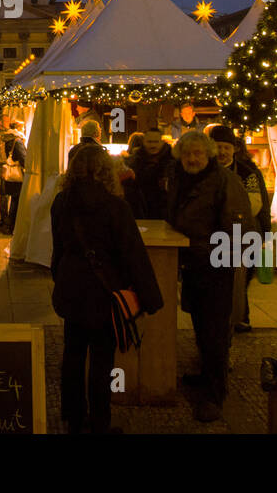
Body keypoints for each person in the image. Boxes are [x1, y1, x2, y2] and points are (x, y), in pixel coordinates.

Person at [51, 148, 162, 434]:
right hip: (105, 292)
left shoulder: (61, 202)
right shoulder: (116, 207)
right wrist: (150, 298)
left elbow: (58, 248)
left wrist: (59, 280)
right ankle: (100, 422)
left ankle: (73, 418)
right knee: (102, 361)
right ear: (107, 172)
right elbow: (133, 255)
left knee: (73, 355)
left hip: (72, 288)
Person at [166, 130, 252, 422]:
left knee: (215, 333)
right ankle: (206, 375)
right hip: (193, 264)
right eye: (187, 154)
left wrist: (220, 259)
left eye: (197, 153)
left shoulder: (224, 181)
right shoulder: (181, 178)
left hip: (216, 266)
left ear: (208, 154)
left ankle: (215, 395)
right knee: (201, 327)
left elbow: (238, 228)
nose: (192, 159)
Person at [209, 126, 272, 333]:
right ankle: (224, 319)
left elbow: (257, 205)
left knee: (241, 278)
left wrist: (265, 233)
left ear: (234, 149)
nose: (222, 152)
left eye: (226, 147)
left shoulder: (248, 173)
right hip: (214, 236)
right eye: (218, 147)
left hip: (245, 234)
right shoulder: (205, 171)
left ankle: (239, 316)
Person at [126, 127, 173, 219]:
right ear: (144, 142)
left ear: (162, 142)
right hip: (140, 210)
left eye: (156, 142)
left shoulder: (172, 162)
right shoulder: (135, 161)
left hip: (165, 212)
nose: (153, 145)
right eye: (150, 142)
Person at [1, 120, 27, 232]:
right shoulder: (17, 141)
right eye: (23, 127)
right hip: (17, 175)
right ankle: (11, 226)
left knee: (14, 200)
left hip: (11, 175)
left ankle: (9, 225)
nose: (24, 129)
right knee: (16, 201)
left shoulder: (9, 139)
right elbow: (23, 158)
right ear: (18, 128)